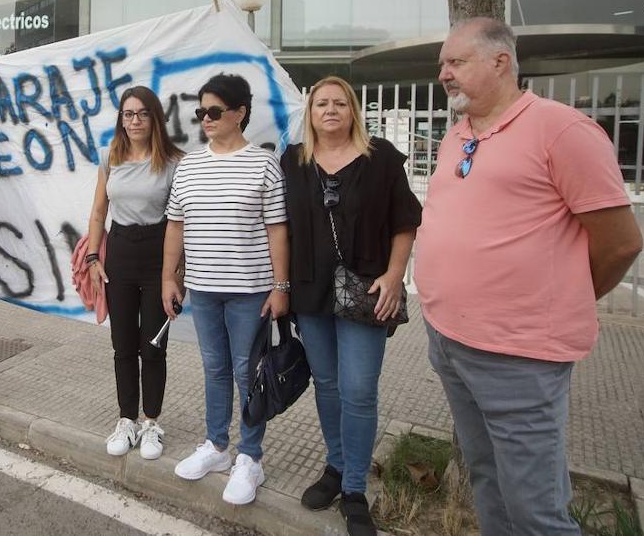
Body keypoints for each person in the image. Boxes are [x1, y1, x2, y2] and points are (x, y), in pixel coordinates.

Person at [415, 18, 643, 536]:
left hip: (517, 355)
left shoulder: (561, 130)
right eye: (442, 65)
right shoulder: (459, 133)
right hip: (449, 339)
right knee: (488, 476)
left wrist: (560, 299)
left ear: (501, 62)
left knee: (536, 509)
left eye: (456, 62)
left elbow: (622, 242)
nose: (444, 74)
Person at [280, 76, 421, 536]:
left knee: (358, 389)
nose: (331, 110)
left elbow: (405, 221)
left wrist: (395, 275)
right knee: (328, 385)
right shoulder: (293, 162)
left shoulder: (380, 160)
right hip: (311, 289)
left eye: (340, 103)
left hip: (367, 292)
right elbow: (277, 224)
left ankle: (356, 489)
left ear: (353, 110)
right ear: (311, 112)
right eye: (322, 103)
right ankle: (336, 467)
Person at [162, 73, 289, 506]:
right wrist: (169, 278)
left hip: (250, 291)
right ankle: (217, 447)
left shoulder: (263, 163)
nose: (206, 118)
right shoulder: (190, 165)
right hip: (202, 289)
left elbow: (277, 230)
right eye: (201, 112)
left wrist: (280, 286)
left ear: (240, 113)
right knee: (214, 369)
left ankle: (250, 457)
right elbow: (175, 226)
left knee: (247, 373)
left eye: (215, 111)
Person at [85, 86, 182, 460]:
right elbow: (98, 213)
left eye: (142, 113)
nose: (135, 120)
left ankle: (151, 422)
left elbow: (182, 223)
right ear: (120, 119)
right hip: (120, 255)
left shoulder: (175, 162)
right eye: (128, 114)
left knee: (153, 348)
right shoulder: (111, 158)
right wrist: (94, 258)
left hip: (160, 255)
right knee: (123, 346)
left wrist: (177, 273)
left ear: (155, 117)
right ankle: (126, 419)